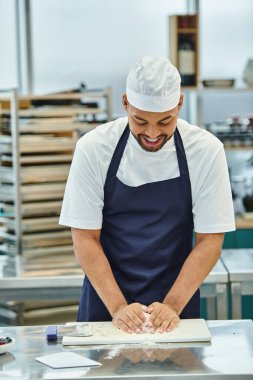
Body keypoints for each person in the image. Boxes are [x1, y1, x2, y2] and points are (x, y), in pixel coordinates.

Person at [59, 56, 235, 333]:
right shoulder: (94, 148)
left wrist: (173, 305)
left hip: (177, 302)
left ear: (179, 104)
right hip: (106, 304)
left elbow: (210, 239)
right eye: (140, 121)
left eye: (165, 121)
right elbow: (84, 236)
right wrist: (118, 308)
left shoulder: (205, 150)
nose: (152, 134)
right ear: (126, 102)